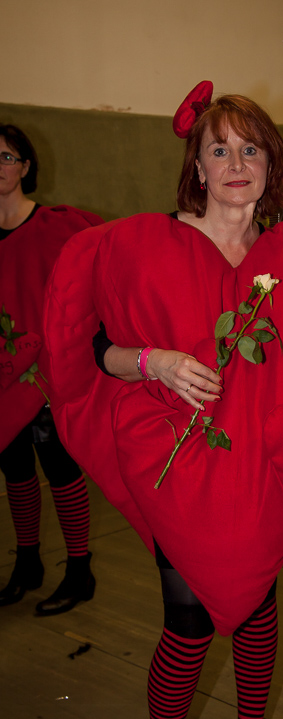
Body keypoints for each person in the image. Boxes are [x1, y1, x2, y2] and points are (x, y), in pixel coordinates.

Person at [43, 83, 283, 719]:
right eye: (220, 150)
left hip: (265, 465)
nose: (236, 163)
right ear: (198, 167)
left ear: (271, 164)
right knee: (186, 621)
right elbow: (95, 350)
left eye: (251, 150)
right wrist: (158, 362)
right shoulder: (141, 243)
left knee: (257, 607)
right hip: (179, 465)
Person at [0, 125, 102, 615]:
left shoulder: (57, 225)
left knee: (59, 467)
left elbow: (103, 266)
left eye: (7, 157)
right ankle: (27, 563)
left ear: (25, 166)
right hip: (3, 374)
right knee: (14, 468)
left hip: (45, 373)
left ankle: (79, 569)